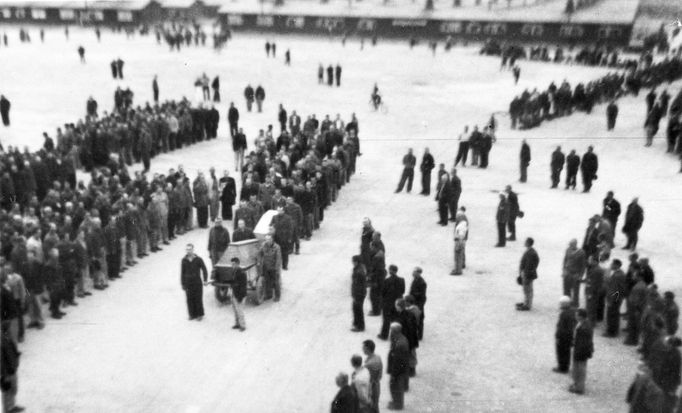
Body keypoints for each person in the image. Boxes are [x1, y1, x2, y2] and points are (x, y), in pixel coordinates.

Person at [180, 244, 208, 321]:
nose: (188, 251)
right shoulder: (184, 260)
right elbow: (182, 273)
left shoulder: (198, 259)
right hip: (188, 283)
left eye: (190, 249)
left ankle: (200, 314)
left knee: (198, 298)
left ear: (193, 250)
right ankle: (192, 314)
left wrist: (205, 280)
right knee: (189, 299)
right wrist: (183, 283)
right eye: (187, 249)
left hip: (197, 282)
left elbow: (204, 269)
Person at [570, 309, 593, 394]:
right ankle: (576, 384)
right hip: (578, 349)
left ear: (581, 316)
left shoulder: (585, 327)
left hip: (581, 351)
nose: (575, 317)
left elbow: (584, 342)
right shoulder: (583, 323)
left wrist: (579, 351)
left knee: (580, 369)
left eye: (577, 315)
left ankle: (580, 388)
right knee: (576, 368)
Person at [387, 322, 410, 411]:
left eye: (391, 330)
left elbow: (398, 361)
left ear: (394, 331)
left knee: (396, 386)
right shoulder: (399, 339)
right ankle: (395, 402)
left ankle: (398, 405)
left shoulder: (400, 343)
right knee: (395, 386)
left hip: (398, 370)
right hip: (399, 368)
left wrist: (394, 373)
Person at [1, 322, 23, 413]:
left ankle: (12, 406)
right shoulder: (2, 341)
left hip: (12, 368)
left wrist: (17, 356)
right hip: (6, 372)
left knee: (14, 389)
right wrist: (4, 375)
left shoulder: (7, 338)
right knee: (7, 392)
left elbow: (12, 350)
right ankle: (7, 410)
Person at [378, 265, 405, 340]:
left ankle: (384, 335)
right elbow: (403, 291)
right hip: (397, 304)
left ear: (391, 270)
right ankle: (396, 335)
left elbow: (383, 292)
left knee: (386, 320)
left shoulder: (387, 280)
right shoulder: (402, 280)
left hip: (388, 303)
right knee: (396, 319)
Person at [604, 259, 627, 337]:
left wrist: (613, 300)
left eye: (612, 264)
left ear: (617, 265)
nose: (611, 265)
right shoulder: (620, 273)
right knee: (614, 315)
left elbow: (616, 289)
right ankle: (613, 331)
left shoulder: (617, 275)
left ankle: (611, 332)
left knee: (611, 315)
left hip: (614, 298)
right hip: (617, 298)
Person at [554, 296, 576, 374]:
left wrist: (558, 336)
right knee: (567, 352)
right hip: (569, 335)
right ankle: (565, 366)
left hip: (563, 336)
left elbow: (561, 327)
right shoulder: (572, 311)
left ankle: (562, 367)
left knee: (561, 352)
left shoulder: (563, 314)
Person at [517, 237, 539, 311]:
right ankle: (526, 302)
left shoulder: (530, 253)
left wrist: (526, 272)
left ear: (528, 243)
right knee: (527, 289)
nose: (524, 242)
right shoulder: (531, 251)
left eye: (526, 242)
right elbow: (537, 261)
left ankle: (527, 305)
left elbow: (528, 264)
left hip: (527, 274)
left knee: (527, 289)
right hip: (528, 273)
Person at [563, 239, 586, 307]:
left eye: (571, 245)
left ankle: (575, 305)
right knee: (566, 289)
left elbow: (583, 265)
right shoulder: (568, 250)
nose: (570, 246)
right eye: (569, 245)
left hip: (576, 274)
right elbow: (565, 260)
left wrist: (580, 275)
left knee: (575, 291)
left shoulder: (581, 253)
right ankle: (566, 303)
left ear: (575, 244)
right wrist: (564, 270)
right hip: (567, 273)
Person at [259, 234, 282, 302]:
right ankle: (269, 295)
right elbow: (259, 253)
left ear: (272, 240)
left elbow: (278, 259)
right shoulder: (263, 245)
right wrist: (259, 261)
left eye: (268, 239)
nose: (267, 241)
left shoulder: (277, 247)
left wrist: (276, 268)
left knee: (275, 282)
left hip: (274, 267)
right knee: (267, 282)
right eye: (266, 239)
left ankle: (277, 296)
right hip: (266, 267)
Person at [363, 340, 383, 413]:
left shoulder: (369, 364)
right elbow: (380, 373)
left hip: (371, 387)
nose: (362, 349)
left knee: (371, 407)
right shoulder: (378, 357)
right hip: (377, 384)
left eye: (364, 347)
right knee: (375, 405)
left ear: (368, 349)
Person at [408, 267, 427, 340]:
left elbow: (422, 295)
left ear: (418, 273)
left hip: (418, 303)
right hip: (413, 302)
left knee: (420, 319)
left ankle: (419, 335)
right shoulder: (415, 280)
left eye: (414, 272)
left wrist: (419, 306)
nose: (412, 273)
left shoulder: (422, 283)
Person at [230, 257, 247, 331]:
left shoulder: (242, 273)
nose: (232, 265)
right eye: (232, 264)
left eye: (233, 264)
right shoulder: (234, 271)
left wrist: (240, 297)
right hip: (234, 293)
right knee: (235, 310)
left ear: (237, 264)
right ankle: (237, 324)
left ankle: (242, 326)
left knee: (240, 311)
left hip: (240, 295)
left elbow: (243, 286)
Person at [351, 255, 367, 332]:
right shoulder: (360, 268)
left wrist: (355, 294)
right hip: (360, 292)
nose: (352, 263)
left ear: (356, 262)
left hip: (359, 293)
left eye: (353, 261)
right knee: (356, 308)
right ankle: (357, 323)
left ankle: (360, 326)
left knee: (358, 309)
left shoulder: (359, 272)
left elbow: (357, 284)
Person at [451, 210, 468, 275]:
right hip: (461, 241)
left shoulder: (461, 226)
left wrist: (458, 245)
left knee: (458, 256)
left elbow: (460, 235)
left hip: (459, 241)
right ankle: (459, 268)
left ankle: (458, 270)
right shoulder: (464, 223)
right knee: (460, 255)